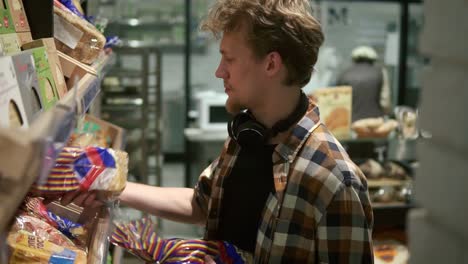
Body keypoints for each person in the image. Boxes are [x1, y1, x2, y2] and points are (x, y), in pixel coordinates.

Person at [62, 0, 374, 263]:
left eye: (229, 58)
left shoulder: (335, 181)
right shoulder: (248, 136)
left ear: (271, 64)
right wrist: (112, 186)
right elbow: (201, 204)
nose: (219, 71)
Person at [336, 46, 392, 122]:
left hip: (350, 122)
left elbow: (338, 102)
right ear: (373, 59)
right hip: (374, 122)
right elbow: (385, 102)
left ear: (354, 59)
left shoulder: (344, 74)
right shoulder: (381, 72)